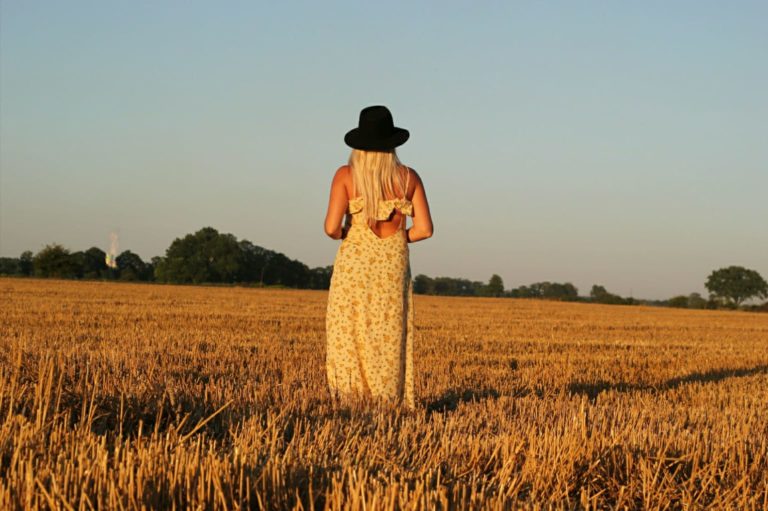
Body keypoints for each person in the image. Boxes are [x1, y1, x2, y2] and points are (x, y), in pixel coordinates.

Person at [324, 105, 433, 410]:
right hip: (393, 265)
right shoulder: (409, 177)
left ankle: (350, 400)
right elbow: (424, 229)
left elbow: (331, 227)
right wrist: (398, 240)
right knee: (389, 332)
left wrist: (352, 236)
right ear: (392, 143)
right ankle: (388, 401)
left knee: (348, 330)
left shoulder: (346, 175)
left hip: (354, 264)